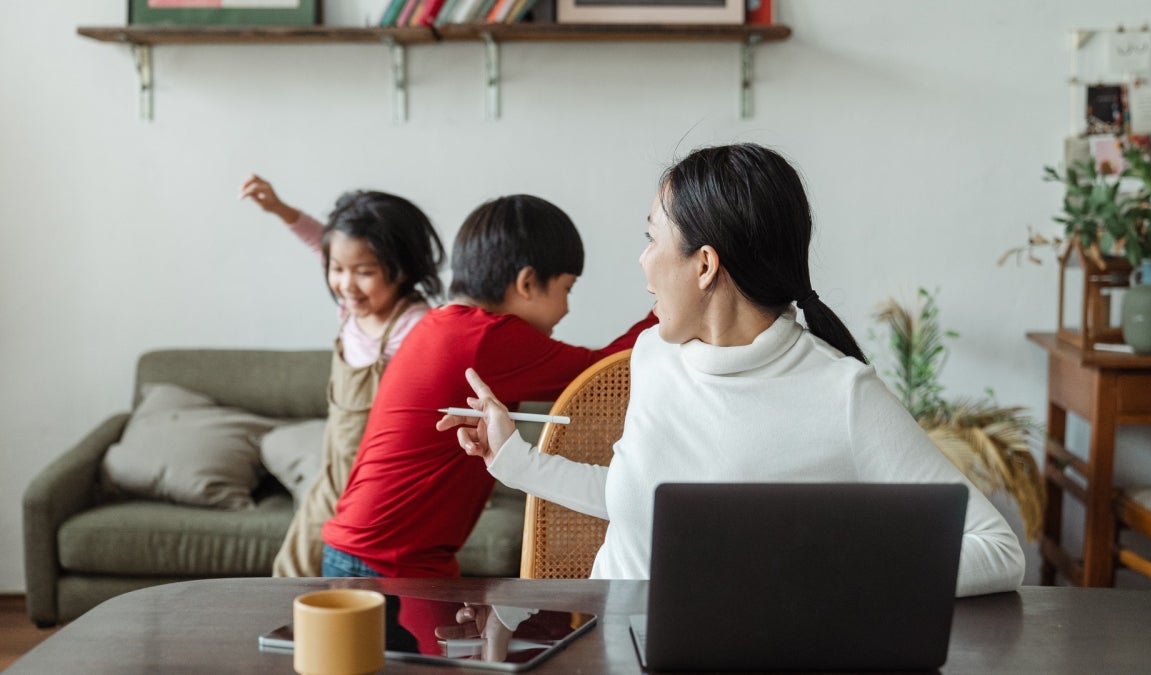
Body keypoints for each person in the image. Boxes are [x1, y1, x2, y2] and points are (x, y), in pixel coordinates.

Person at [438, 143, 1026, 598]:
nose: (642, 261)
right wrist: (514, 460)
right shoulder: (653, 356)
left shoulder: (843, 394)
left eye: (651, 237)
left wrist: (826, 568)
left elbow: (997, 550)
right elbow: (638, 502)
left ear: (704, 265)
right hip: (612, 647)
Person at [321, 194, 658, 578]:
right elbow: (600, 375)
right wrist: (667, 303)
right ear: (527, 282)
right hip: (385, 564)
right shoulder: (484, 338)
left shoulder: (445, 325)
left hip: (370, 552)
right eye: (567, 289)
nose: (566, 308)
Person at [240, 175, 446, 577]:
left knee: (339, 581)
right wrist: (281, 210)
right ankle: (292, 638)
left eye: (364, 272)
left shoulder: (414, 327)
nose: (346, 284)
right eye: (337, 269)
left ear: (402, 268)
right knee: (291, 570)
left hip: (374, 486)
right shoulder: (353, 309)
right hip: (332, 472)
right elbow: (324, 242)